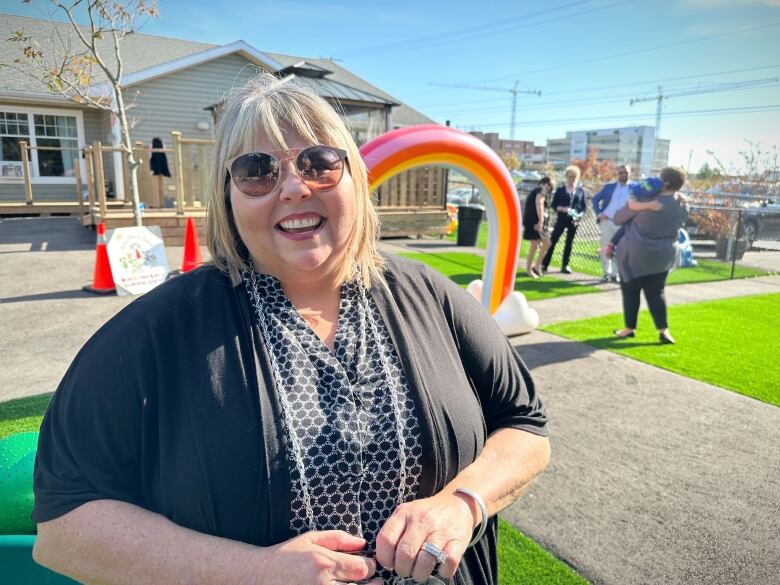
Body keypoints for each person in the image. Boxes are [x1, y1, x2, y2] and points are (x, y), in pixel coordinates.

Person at [32, 75, 550, 585]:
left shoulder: (432, 297)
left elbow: (525, 425)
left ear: (354, 178)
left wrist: (462, 504)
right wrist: (251, 572)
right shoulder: (157, 332)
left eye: (319, 162)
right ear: (227, 196)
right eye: (257, 171)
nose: (295, 188)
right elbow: (64, 526)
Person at [612, 167, 689, 345]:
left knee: (631, 291)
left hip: (636, 255)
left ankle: (629, 328)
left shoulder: (647, 200)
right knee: (656, 292)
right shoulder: (683, 204)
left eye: (659, 177)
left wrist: (637, 200)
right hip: (663, 256)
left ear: (666, 182)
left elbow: (618, 218)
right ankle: (664, 331)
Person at [541, 165, 586, 274]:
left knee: (569, 243)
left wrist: (578, 214)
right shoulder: (560, 190)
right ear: (566, 177)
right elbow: (553, 205)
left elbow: (583, 207)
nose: (572, 179)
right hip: (561, 219)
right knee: (553, 241)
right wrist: (562, 208)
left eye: (574, 176)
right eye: (570, 176)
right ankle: (544, 265)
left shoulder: (580, 191)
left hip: (573, 221)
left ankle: (565, 265)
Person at [592, 164, 632, 283]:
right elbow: (595, 199)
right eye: (621, 173)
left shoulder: (635, 188)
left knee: (620, 249)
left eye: (626, 172)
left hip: (624, 224)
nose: (623, 174)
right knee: (605, 248)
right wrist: (599, 214)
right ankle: (606, 273)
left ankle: (615, 274)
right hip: (607, 221)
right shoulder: (609, 187)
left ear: (630, 173)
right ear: (617, 174)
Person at [522, 176, 554, 279]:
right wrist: (540, 222)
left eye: (551, 187)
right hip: (534, 222)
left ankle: (536, 266)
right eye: (548, 185)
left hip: (534, 221)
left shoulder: (539, 191)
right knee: (535, 246)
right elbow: (539, 204)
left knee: (546, 243)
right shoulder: (541, 190)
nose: (549, 188)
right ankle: (528, 270)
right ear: (543, 183)